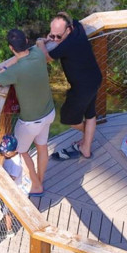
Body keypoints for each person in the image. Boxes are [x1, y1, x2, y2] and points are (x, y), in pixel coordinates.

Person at [0, 29, 56, 197]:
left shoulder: (15, 71)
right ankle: (39, 179)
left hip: (31, 122)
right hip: (49, 113)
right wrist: (40, 40)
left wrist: (4, 68)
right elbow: (39, 44)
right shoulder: (38, 55)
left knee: (20, 151)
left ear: (11, 48)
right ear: (26, 40)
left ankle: (36, 186)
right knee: (42, 146)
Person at [40, 12, 103, 161]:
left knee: (69, 119)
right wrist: (54, 35)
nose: (55, 39)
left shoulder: (67, 45)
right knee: (90, 114)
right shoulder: (78, 27)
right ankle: (85, 149)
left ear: (68, 30)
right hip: (95, 78)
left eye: (58, 36)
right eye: (52, 35)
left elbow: (46, 58)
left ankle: (87, 139)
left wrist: (41, 43)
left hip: (82, 87)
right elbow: (65, 15)